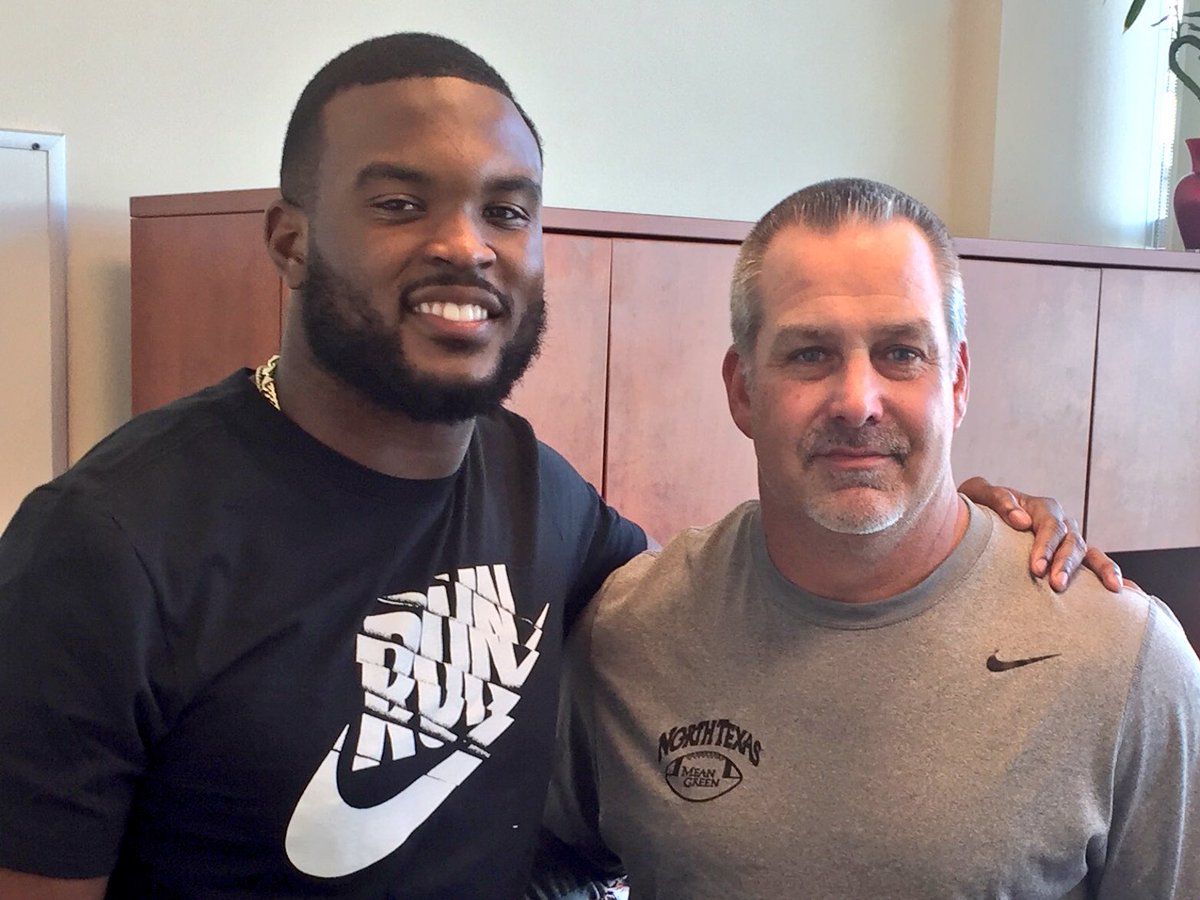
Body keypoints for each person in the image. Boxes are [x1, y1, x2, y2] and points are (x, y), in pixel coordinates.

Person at [0, 35, 1115, 899]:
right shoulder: (104, 546)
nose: (466, 245)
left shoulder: (543, 499)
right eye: (399, 203)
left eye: (508, 209)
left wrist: (962, 534)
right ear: (289, 238)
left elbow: (750, 598)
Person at [536, 178, 1200, 898]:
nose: (857, 401)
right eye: (809, 354)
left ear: (957, 382)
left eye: (902, 352)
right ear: (743, 389)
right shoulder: (628, 631)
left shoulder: (1123, 661)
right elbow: (552, 860)